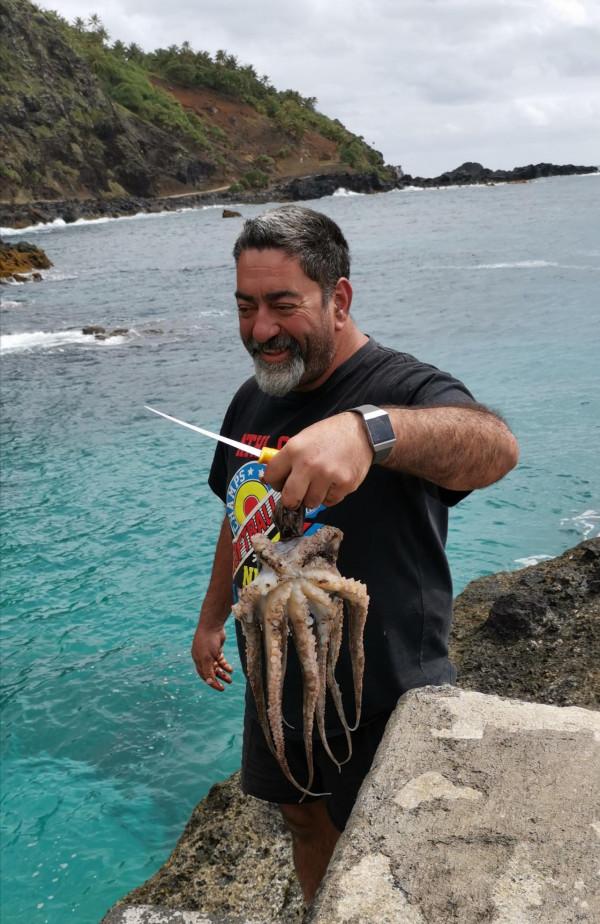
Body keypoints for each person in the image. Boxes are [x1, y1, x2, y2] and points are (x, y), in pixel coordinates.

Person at [191, 205, 519, 903]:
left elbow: (493, 447)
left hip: (392, 686)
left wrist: (369, 433)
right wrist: (211, 620)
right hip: (276, 671)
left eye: (283, 305)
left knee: (398, 847)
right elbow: (238, 513)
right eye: (245, 306)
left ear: (339, 298)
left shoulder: (402, 389)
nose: (260, 330)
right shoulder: (250, 400)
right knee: (303, 817)